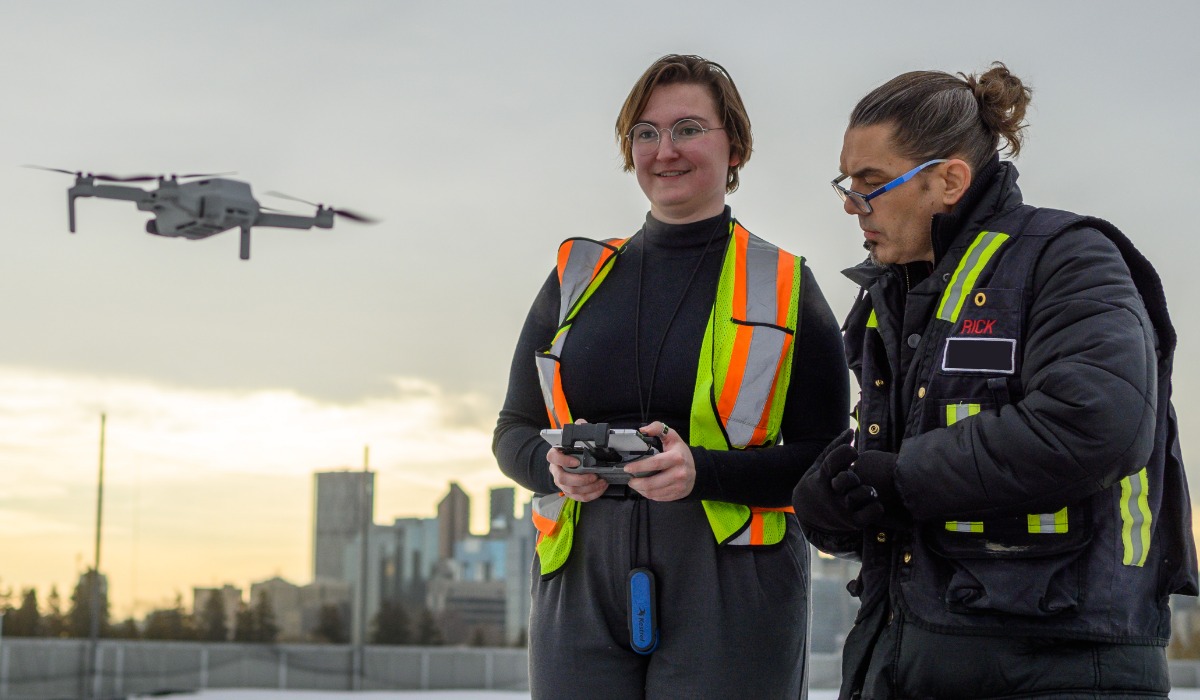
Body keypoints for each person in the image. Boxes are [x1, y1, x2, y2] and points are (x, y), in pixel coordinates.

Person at [794, 62, 1198, 699]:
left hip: (1057, 668)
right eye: (846, 182)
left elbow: (1095, 422)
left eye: (870, 183)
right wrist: (833, 503)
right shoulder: (894, 299)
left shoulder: (1069, 260)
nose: (851, 204)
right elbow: (899, 479)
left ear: (950, 179)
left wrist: (900, 478)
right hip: (908, 655)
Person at [494, 54, 848, 698]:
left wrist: (702, 472)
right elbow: (513, 429)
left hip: (732, 579)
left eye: (689, 128)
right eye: (647, 132)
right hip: (581, 575)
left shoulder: (784, 286)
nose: (665, 150)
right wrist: (551, 468)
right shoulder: (576, 278)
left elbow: (827, 459)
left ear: (735, 145)